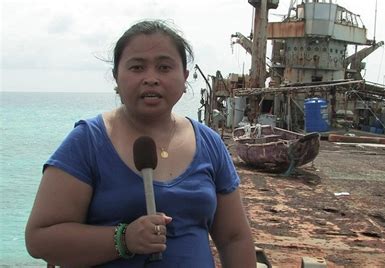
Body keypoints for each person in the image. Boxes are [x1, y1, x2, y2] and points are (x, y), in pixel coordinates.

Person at [25, 20, 256, 267]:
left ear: (185, 77)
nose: (151, 78)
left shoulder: (210, 143)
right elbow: (40, 239)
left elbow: (234, 238)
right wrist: (123, 239)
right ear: (116, 77)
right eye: (137, 67)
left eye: (164, 67)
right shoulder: (88, 141)